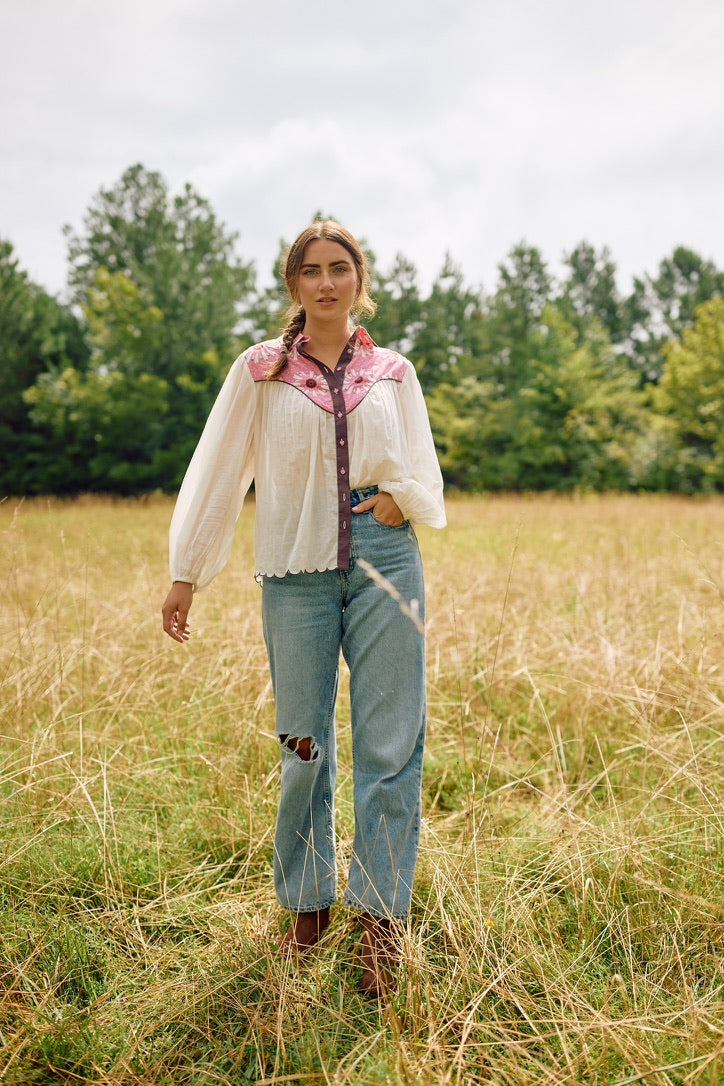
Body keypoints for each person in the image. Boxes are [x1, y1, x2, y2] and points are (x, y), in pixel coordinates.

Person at [161, 220, 446, 997]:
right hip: (294, 566)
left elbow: (422, 463)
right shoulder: (260, 370)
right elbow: (218, 468)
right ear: (293, 285)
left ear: (360, 278)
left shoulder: (393, 370)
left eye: (339, 268)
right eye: (311, 271)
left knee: (392, 745)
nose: (326, 282)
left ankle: (380, 919)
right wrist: (187, 569)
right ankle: (308, 905)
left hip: (386, 558)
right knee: (303, 745)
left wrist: (400, 499)